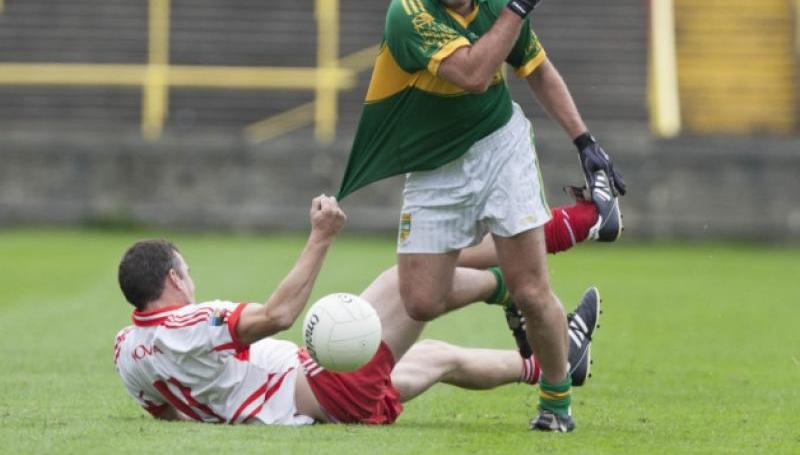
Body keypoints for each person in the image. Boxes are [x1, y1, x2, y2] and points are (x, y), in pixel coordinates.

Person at [335, 0, 625, 432]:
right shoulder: (408, 12)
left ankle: (556, 403)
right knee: (420, 300)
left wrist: (586, 143)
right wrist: (518, 5)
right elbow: (470, 73)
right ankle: (533, 261)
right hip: (433, 168)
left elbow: (536, 69)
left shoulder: (495, 3)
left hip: (500, 148)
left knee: (535, 292)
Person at [114, 195, 600, 426]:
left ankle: (551, 363)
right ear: (175, 278)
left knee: (436, 355)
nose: (192, 280)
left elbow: (165, 414)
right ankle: (521, 278)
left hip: (325, 405)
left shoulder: (126, 351)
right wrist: (321, 236)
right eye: (188, 272)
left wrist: (224, 410)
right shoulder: (193, 323)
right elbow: (280, 314)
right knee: (411, 282)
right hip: (330, 383)